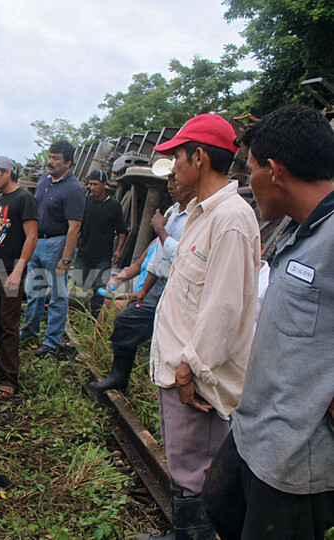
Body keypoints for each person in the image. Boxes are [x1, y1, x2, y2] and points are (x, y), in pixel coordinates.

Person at [203, 105, 334, 540]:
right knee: (219, 503)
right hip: (255, 430)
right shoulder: (298, 231)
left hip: (295, 459)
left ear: (274, 171)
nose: (247, 181)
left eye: (251, 168)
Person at [137, 114, 260, 540]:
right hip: (179, 372)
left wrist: (191, 370)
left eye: (177, 158)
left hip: (194, 379)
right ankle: (183, 533)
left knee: (198, 473)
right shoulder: (199, 215)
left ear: (200, 157)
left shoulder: (230, 219)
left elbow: (224, 309)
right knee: (184, 465)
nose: (173, 169)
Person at [89, 171, 194, 393]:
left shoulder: (196, 217)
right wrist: (143, 290)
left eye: (175, 180)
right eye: (169, 180)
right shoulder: (172, 213)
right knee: (125, 322)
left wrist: (161, 230)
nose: (170, 185)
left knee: (170, 340)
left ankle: (157, 385)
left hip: (180, 286)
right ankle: (118, 375)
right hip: (157, 286)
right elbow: (155, 259)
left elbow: (182, 258)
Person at [0, 156, 38, 398]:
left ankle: (10, 378)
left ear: (7, 172)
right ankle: (0, 363)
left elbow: (31, 237)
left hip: (11, 269)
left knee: (9, 324)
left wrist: (18, 271)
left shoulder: (25, 199)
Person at [21, 141, 84, 357]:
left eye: (56, 158)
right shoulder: (43, 180)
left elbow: (74, 227)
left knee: (57, 295)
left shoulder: (74, 189)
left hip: (57, 244)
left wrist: (65, 259)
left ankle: (52, 341)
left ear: (68, 162)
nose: (51, 161)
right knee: (33, 291)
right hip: (37, 242)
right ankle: (30, 331)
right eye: (50, 156)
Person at [73, 169, 127, 317]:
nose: (92, 187)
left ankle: (94, 318)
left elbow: (122, 230)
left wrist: (119, 250)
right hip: (84, 252)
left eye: (96, 184)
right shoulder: (86, 202)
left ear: (104, 185)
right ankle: (80, 309)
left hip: (102, 255)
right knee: (78, 283)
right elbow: (77, 226)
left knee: (100, 289)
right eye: (90, 184)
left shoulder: (114, 206)